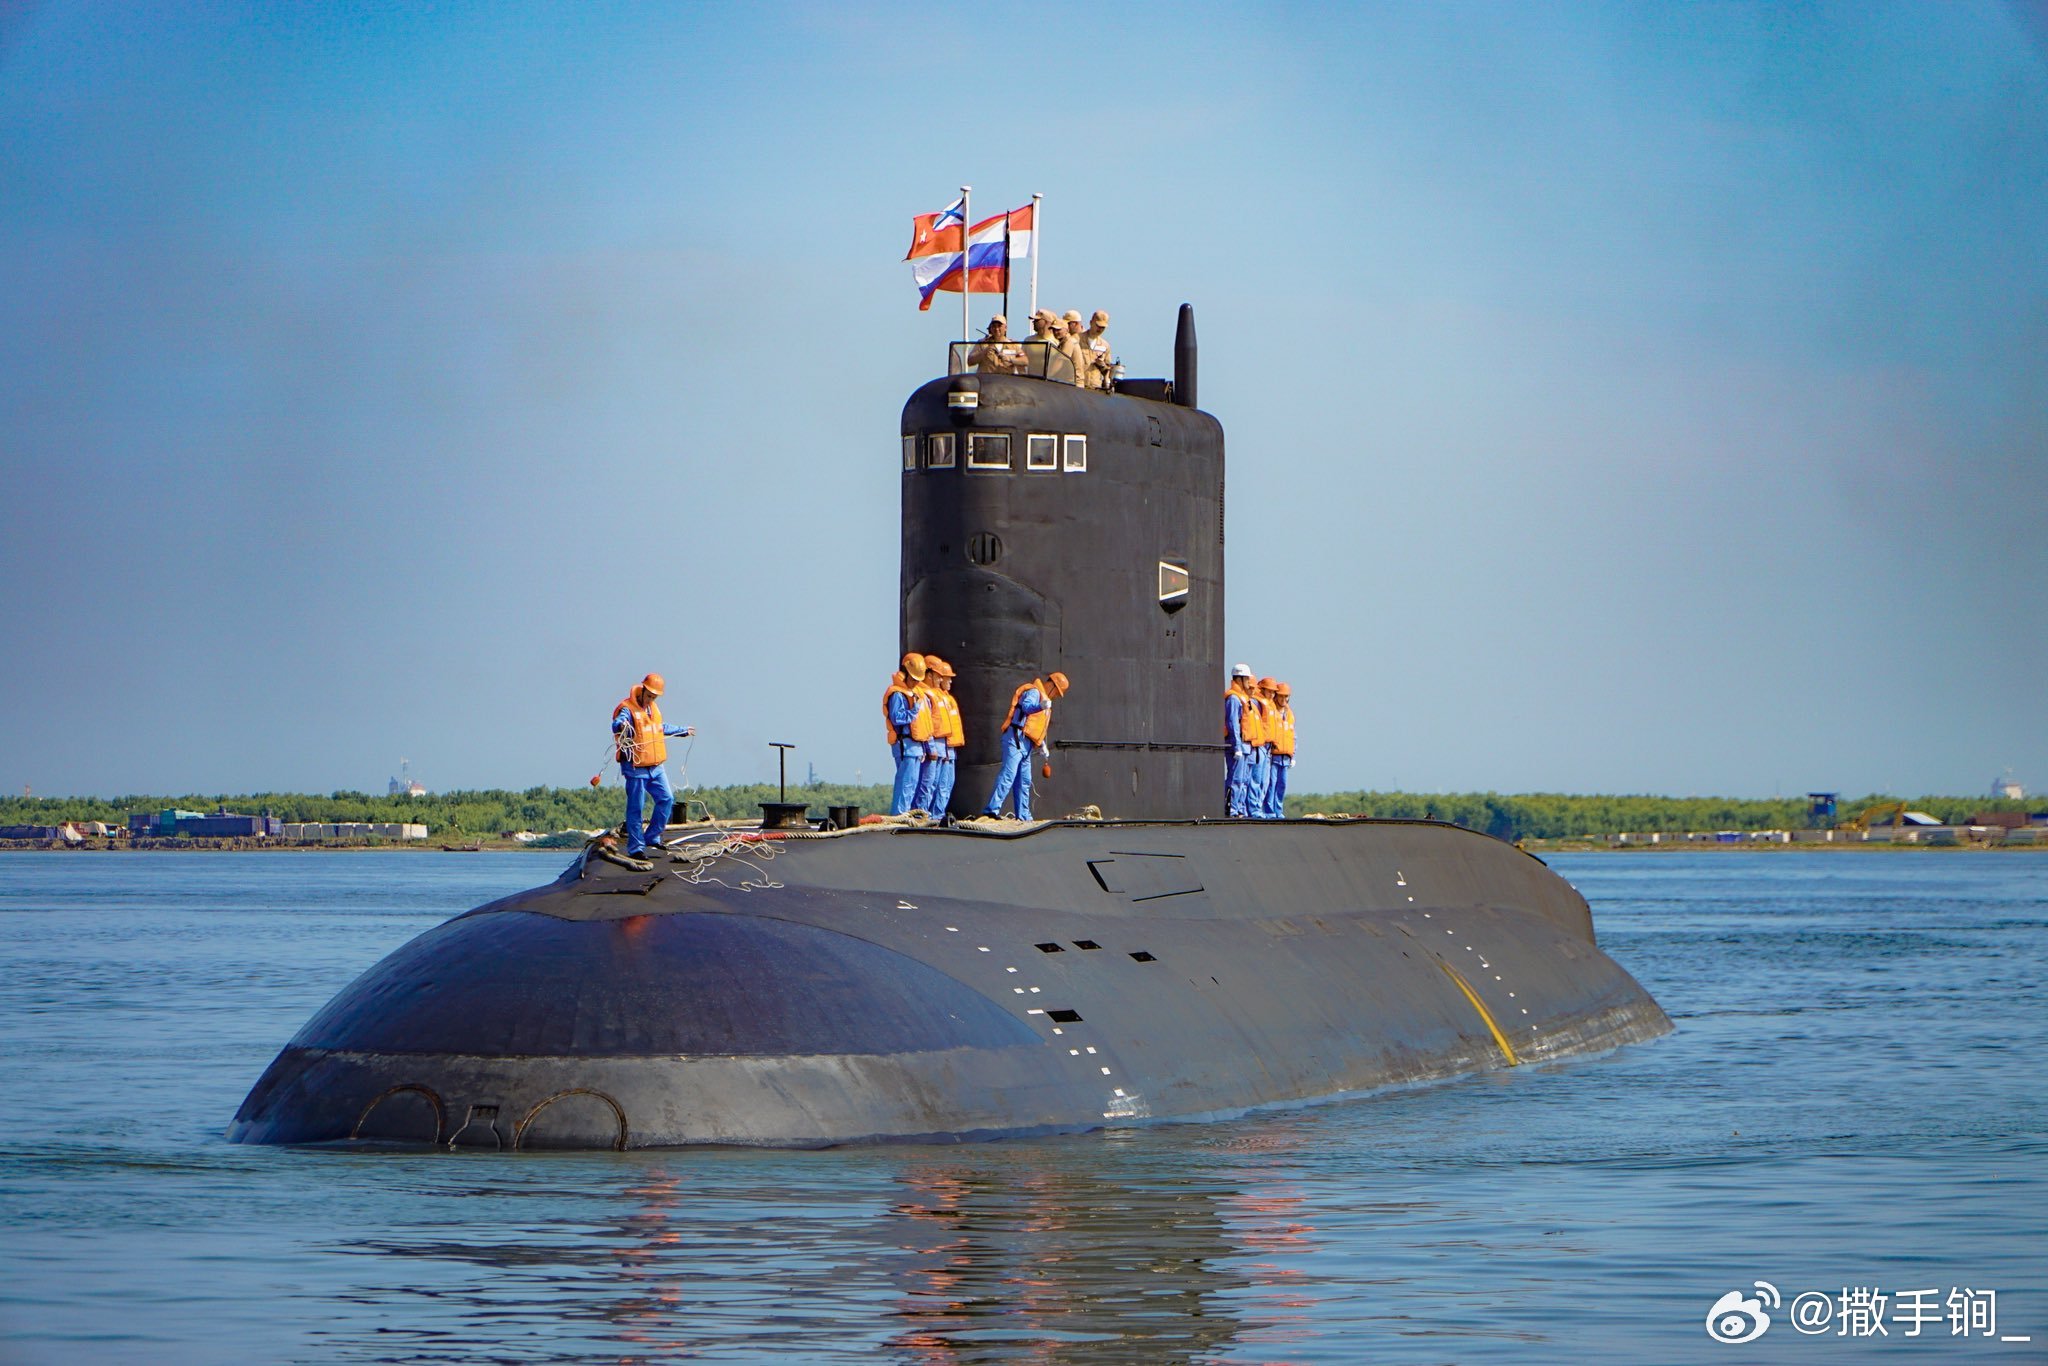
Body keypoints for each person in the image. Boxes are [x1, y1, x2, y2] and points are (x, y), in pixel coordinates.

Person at [612, 673, 695, 856]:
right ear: (642, 690)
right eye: (649, 696)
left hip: (656, 767)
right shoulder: (627, 709)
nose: (650, 700)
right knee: (636, 808)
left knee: (666, 799)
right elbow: (617, 723)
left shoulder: (653, 709)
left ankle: (652, 836)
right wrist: (621, 725)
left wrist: (682, 731)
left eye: (654, 697)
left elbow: (660, 727)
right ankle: (636, 848)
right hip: (636, 767)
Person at [982, 670, 1070, 821]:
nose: (1056, 696)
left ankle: (1023, 816)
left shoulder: (1045, 702)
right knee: (1008, 775)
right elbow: (1027, 707)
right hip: (1015, 739)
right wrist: (1041, 706)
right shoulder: (1034, 693)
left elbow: (1034, 726)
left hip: (1026, 745)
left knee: (1024, 780)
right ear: (1052, 686)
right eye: (1057, 692)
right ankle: (991, 810)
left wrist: (1042, 745)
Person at [883, 653, 935, 815]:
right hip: (906, 747)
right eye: (913, 679)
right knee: (905, 784)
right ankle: (899, 815)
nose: (915, 683)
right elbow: (897, 717)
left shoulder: (915, 694)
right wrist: (913, 711)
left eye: (918, 680)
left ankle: (907, 814)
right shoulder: (898, 695)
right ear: (905, 673)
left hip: (916, 748)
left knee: (912, 784)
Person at [913, 655, 964, 814]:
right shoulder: (926, 694)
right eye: (940, 676)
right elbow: (927, 723)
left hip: (946, 746)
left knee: (944, 785)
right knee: (929, 784)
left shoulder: (943, 697)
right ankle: (922, 813)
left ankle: (936, 814)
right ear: (929, 674)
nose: (944, 680)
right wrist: (931, 747)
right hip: (934, 744)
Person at [1223, 663, 1264, 817]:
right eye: (1246, 678)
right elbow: (1232, 723)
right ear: (1239, 679)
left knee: (1243, 780)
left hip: (1247, 746)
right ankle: (1231, 810)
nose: (1248, 681)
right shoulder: (1234, 698)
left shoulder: (1244, 698)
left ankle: (1240, 809)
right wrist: (1237, 746)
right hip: (1238, 745)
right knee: (1235, 779)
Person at [1254, 676, 1284, 818]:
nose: (1272, 694)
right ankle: (1254, 809)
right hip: (1260, 745)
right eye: (1269, 691)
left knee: (1265, 782)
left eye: (1273, 692)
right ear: (1263, 690)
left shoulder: (1270, 705)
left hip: (1268, 748)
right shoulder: (1258, 703)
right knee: (1256, 779)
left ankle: (1258, 808)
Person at [1267, 680, 1296, 819]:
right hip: (1273, 755)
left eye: (1286, 696)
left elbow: (1293, 736)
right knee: (1271, 784)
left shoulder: (1289, 714)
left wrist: (1293, 755)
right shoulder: (1271, 711)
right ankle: (1269, 811)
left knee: (1282, 785)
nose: (1283, 699)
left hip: (1286, 756)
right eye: (1281, 696)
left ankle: (1278, 811)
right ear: (1276, 696)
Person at [1078, 310, 1114, 391]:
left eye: (1103, 327)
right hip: (1078, 386)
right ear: (1091, 323)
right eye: (1098, 325)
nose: (1100, 329)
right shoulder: (1077, 339)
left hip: (1095, 389)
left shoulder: (1105, 345)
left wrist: (1102, 365)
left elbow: (1108, 372)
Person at [1056, 310, 1088, 387]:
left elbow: (1062, 361)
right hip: (1076, 382)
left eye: (1068, 323)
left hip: (1081, 383)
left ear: (1076, 323)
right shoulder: (1066, 338)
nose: (1065, 326)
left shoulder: (1085, 338)